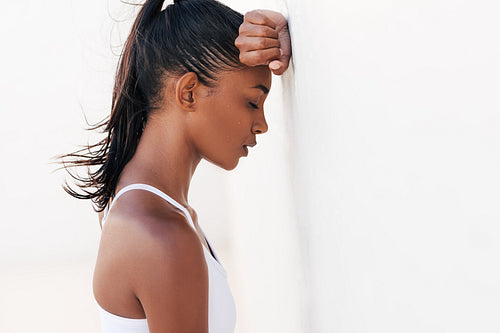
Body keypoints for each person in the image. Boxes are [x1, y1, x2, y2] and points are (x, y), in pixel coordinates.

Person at [59, 0, 291, 332]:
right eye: (252, 102)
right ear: (189, 93)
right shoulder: (162, 234)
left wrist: (281, 26)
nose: (262, 124)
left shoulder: (133, 199)